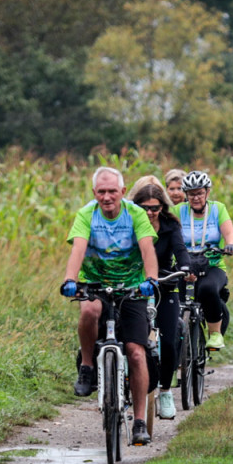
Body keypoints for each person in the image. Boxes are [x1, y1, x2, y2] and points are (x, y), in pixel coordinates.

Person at [61, 167, 159, 446]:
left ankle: (139, 421)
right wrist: (70, 279)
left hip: (132, 287)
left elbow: (147, 249)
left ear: (123, 192)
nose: (107, 197)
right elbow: (77, 248)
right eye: (101, 192)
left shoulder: (136, 214)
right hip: (95, 284)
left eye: (112, 191)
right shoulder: (87, 214)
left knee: (136, 352)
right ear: (94, 193)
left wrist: (150, 279)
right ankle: (88, 367)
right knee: (89, 310)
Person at [131, 183, 191, 420]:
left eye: (154, 208)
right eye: (144, 208)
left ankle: (165, 391)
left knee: (169, 340)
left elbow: (180, 249)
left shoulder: (170, 225)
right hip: (136, 285)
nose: (149, 213)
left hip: (165, 286)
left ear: (162, 206)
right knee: (131, 340)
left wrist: (185, 266)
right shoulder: (130, 224)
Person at [175, 170, 233, 350]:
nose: (196, 197)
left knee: (208, 289)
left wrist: (231, 244)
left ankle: (215, 334)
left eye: (200, 193)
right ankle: (179, 347)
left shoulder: (218, 209)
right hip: (185, 264)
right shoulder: (178, 211)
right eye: (191, 194)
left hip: (212, 265)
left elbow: (230, 233)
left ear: (207, 192)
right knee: (175, 300)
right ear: (186, 195)